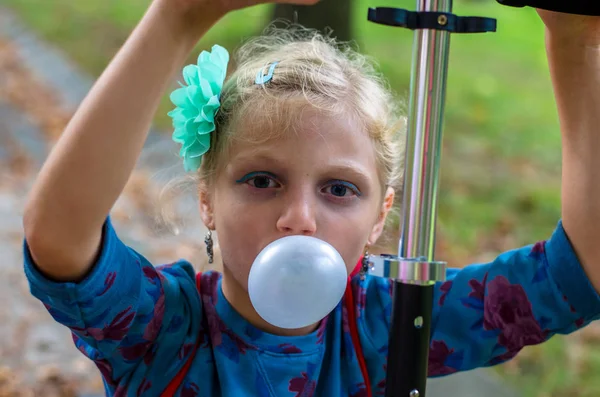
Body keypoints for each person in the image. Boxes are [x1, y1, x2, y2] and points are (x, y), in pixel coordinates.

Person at [20, 0, 600, 394]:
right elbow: (60, 236)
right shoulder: (161, 327)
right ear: (206, 200)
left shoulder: (390, 327)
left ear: (380, 217)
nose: (298, 218)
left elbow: (582, 271)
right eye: (262, 180)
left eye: (339, 189)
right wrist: (177, 18)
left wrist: (574, 44)